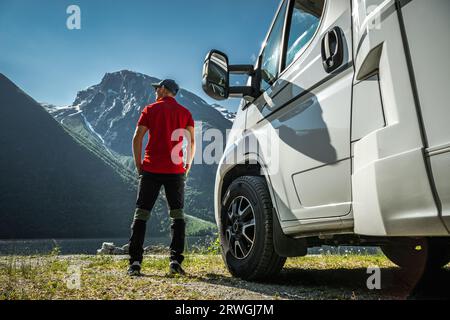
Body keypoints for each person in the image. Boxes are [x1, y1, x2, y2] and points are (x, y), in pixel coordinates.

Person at [127, 79, 195, 276]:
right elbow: (192, 142)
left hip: (151, 170)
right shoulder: (185, 113)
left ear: (164, 89)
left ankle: (135, 264)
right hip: (175, 171)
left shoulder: (150, 109)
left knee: (141, 215)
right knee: (177, 216)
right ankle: (175, 262)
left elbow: (136, 138)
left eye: (157, 88)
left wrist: (139, 165)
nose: (156, 91)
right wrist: (187, 165)